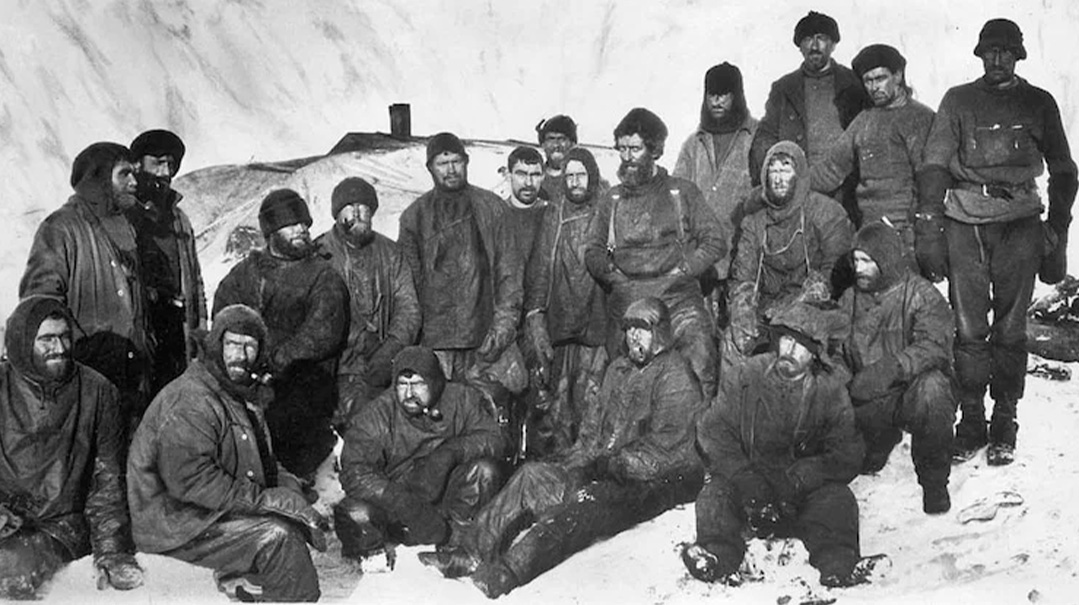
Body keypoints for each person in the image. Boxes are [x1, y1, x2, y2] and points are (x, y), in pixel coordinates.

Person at [419, 298, 705, 599]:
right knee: (531, 475)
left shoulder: (675, 377)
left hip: (647, 486)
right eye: (629, 328)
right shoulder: (619, 370)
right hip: (603, 469)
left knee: (582, 504)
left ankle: (508, 571)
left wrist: (610, 466)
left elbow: (665, 451)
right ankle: (470, 552)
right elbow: (593, 432)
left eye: (642, 329)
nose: (633, 337)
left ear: (659, 333)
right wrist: (575, 462)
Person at [915, 18, 1078, 465]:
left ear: (1018, 56)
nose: (998, 59)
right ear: (980, 54)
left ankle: (1005, 417)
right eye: (991, 51)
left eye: (1006, 52)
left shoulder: (1038, 102)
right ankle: (971, 419)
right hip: (965, 221)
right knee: (969, 327)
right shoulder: (958, 100)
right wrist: (929, 228)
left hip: (1019, 223)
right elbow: (934, 165)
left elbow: (1065, 170)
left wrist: (1057, 229)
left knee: (1010, 328)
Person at [128, 304, 324, 602]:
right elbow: (190, 480)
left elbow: (262, 459)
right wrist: (266, 500)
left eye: (250, 346)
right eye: (232, 344)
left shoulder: (236, 393)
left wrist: (290, 490)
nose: (241, 355)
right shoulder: (192, 399)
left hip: (203, 514)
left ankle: (250, 583)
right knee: (278, 538)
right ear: (216, 345)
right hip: (174, 524)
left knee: (288, 521)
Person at [682, 299, 885, 588]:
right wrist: (744, 476)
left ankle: (839, 565)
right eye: (786, 340)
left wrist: (805, 476)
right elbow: (713, 430)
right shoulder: (746, 375)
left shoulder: (830, 391)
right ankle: (717, 557)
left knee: (838, 499)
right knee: (714, 494)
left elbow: (847, 452)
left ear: (814, 354)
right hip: (750, 492)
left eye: (800, 345)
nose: (789, 350)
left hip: (800, 495)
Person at [0, 296, 143, 599]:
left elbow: (106, 483)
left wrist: (112, 551)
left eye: (65, 337)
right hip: (5, 519)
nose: (61, 348)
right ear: (22, 342)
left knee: (12, 568)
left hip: (60, 526)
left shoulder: (97, 391)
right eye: (47, 340)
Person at [583, 107, 723, 398]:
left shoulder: (681, 193)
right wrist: (612, 276)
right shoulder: (612, 199)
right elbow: (593, 249)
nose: (627, 157)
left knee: (700, 363)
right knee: (623, 384)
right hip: (629, 304)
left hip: (678, 302)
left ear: (655, 150)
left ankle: (700, 425)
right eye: (622, 149)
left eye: (635, 149)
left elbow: (714, 240)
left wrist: (685, 269)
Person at [213, 189, 349, 479]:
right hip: (251, 380)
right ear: (271, 232)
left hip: (300, 387)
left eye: (304, 224)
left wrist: (276, 361)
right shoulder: (246, 273)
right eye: (291, 224)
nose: (301, 229)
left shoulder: (322, 276)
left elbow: (322, 333)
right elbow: (225, 315)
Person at [20, 142, 153, 437]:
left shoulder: (129, 229)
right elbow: (40, 304)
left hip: (132, 381)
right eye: (124, 174)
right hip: (85, 381)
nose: (134, 182)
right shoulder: (60, 227)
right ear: (99, 178)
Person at [397, 133, 525, 425]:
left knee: (487, 418)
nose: (451, 169)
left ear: (466, 163)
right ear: (430, 168)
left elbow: (509, 274)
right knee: (440, 420)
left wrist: (502, 329)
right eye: (443, 164)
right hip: (436, 344)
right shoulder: (414, 217)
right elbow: (408, 287)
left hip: (484, 341)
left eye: (456, 161)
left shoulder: (493, 208)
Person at [334, 346, 504, 559]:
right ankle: (378, 553)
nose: (409, 394)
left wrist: (453, 451)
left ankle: (458, 542)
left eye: (418, 384)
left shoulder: (462, 399)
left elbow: (495, 440)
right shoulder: (376, 415)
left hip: (446, 499)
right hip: (396, 500)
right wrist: (399, 500)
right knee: (356, 514)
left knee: (485, 472)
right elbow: (354, 472)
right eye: (402, 385)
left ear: (435, 382)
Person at [840, 223, 955, 514]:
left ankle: (934, 483)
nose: (858, 268)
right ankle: (875, 448)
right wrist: (842, 382)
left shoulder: (921, 295)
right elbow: (836, 350)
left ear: (886, 259)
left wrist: (892, 368)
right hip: (866, 398)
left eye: (867, 261)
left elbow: (934, 345)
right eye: (855, 260)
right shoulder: (849, 298)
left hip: (908, 394)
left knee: (934, 389)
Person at [522, 146, 610, 456]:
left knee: (591, 397)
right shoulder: (554, 213)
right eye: (569, 176)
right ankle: (553, 463)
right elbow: (541, 267)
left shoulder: (606, 208)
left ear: (592, 176)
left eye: (580, 175)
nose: (574, 182)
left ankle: (587, 462)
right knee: (556, 403)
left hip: (596, 321)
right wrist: (535, 315)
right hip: (560, 323)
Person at [315, 177, 420, 429]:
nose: (357, 214)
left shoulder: (391, 253)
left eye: (363, 207)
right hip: (331, 369)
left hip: (377, 366)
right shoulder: (318, 253)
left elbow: (409, 309)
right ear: (337, 214)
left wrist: (390, 350)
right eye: (349, 207)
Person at [811, 45, 935, 252]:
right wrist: (794, 183)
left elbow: (928, 181)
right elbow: (831, 168)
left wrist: (912, 230)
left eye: (880, 78)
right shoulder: (864, 120)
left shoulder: (919, 118)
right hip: (869, 229)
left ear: (897, 76)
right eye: (868, 81)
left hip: (907, 233)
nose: (874, 87)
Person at [749, 10, 867, 224]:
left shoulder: (853, 84)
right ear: (800, 46)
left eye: (821, 38)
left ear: (833, 44)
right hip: (798, 192)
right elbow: (765, 137)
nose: (814, 45)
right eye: (807, 39)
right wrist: (779, 179)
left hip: (844, 190)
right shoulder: (784, 89)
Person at [729, 141, 854, 342]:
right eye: (773, 171)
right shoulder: (755, 222)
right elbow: (743, 277)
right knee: (732, 340)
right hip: (765, 310)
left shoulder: (825, 212)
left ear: (799, 174)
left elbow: (834, 272)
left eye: (786, 170)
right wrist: (742, 313)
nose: (779, 179)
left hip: (812, 309)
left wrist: (797, 305)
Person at [674, 62, 759, 328]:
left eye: (724, 94)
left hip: (742, 254)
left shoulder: (756, 137)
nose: (717, 101)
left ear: (737, 95)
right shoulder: (694, 144)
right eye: (712, 94)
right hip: (703, 261)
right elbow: (677, 197)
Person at [126, 129, 207, 396]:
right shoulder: (124, 216)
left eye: (171, 164)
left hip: (176, 329)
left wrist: (200, 333)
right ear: (137, 166)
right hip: (139, 329)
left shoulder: (179, 219)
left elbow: (195, 281)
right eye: (158, 163)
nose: (165, 172)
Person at [535, 114, 578, 201]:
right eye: (551, 139)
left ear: (573, 144)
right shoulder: (532, 178)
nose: (556, 145)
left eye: (562, 139)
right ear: (543, 144)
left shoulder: (585, 180)